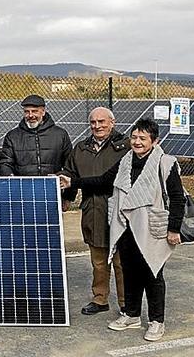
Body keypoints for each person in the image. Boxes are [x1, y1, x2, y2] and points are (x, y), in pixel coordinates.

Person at [59, 117, 185, 342]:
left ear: (154, 141)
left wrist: (174, 229)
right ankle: (132, 315)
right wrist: (73, 183)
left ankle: (157, 321)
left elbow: (177, 198)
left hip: (151, 227)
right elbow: (103, 181)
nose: (137, 142)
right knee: (130, 273)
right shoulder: (126, 160)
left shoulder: (166, 163)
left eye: (142, 138)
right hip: (126, 226)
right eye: (134, 137)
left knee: (153, 275)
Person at [60, 107, 129, 316]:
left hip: (119, 209)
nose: (97, 126)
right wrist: (66, 198)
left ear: (112, 122)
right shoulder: (81, 149)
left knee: (121, 260)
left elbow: (112, 180)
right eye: (93, 123)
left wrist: (74, 182)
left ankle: (127, 303)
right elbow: (69, 174)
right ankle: (100, 299)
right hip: (92, 209)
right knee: (98, 259)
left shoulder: (125, 147)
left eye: (102, 122)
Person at [0, 94, 72, 176]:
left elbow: (70, 164)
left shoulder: (60, 135)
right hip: (23, 186)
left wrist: (58, 177)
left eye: (34, 111)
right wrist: (10, 177)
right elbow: (5, 163)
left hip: (52, 185)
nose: (30, 115)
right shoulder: (12, 136)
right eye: (27, 112)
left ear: (43, 112)